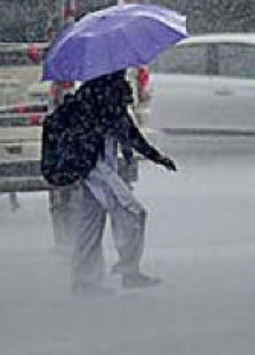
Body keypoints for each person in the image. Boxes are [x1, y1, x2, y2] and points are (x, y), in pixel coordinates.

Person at [67, 70, 177, 296]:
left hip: (91, 165)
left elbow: (126, 131)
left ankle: (84, 281)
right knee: (133, 213)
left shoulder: (93, 91)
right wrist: (156, 157)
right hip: (95, 167)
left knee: (90, 224)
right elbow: (127, 131)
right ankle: (128, 270)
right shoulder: (103, 92)